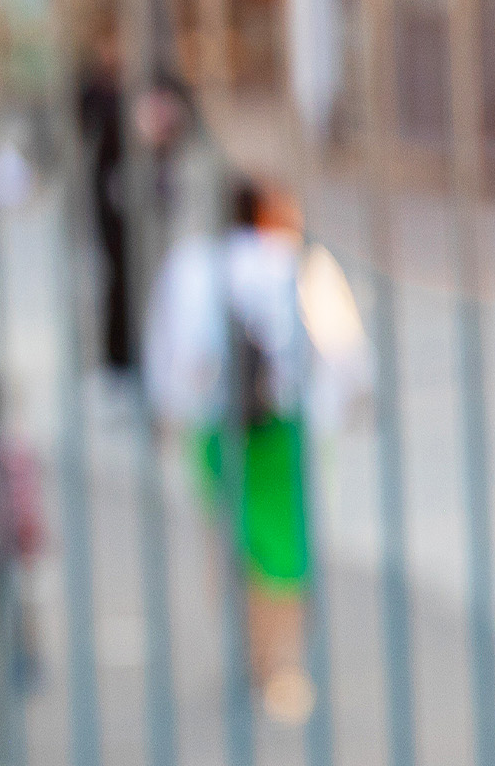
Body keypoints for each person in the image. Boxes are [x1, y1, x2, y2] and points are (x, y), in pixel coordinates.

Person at [141, 178, 368, 725]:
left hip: (217, 428)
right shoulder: (302, 263)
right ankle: (282, 661)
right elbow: (345, 351)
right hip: (288, 429)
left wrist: (167, 415)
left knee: (232, 537)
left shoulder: (194, 264)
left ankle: (252, 649)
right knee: (287, 548)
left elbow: (167, 347)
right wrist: (350, 403)